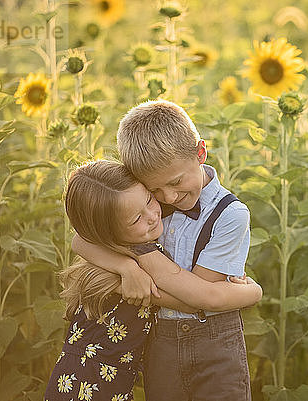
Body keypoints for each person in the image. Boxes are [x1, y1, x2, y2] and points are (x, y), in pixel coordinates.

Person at [72, 100, 254, 400]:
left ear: (200, 153)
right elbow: (80, 240)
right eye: (154, 189)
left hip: (215, 344)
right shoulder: (149, 207)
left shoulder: (231, 216)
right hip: (160, 342)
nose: (169, 196)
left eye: (175, 182)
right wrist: (126, 270)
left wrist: (137, 257)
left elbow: (198, 298)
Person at [45, 160, 262, 401]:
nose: (151, 216)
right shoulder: (124, 273)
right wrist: (254, 292)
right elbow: (193, 303)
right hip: (91, 384)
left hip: (94, 378)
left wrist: (126, 266)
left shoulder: (119, 252)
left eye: (149, 200)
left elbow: (80, 241)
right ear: (108, 233)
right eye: (136, 219)